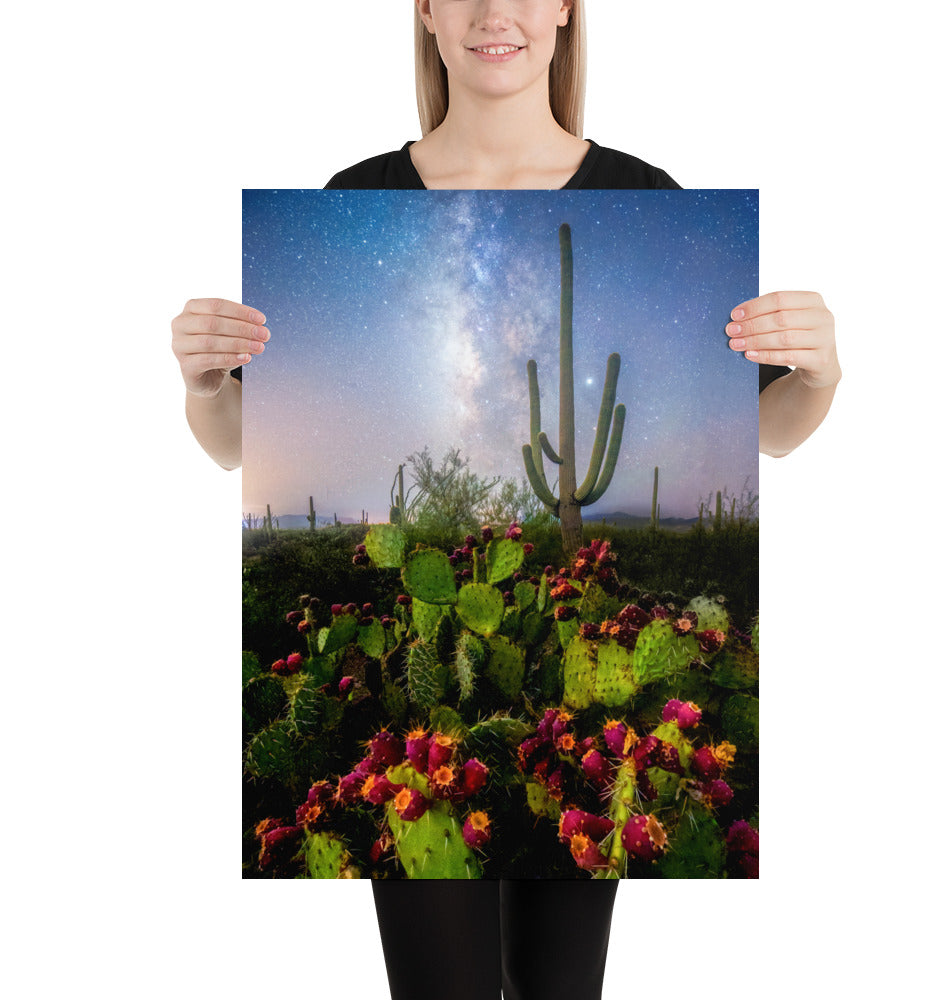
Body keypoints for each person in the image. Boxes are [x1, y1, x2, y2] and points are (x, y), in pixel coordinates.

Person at [173, 2, 840, 998]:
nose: (497, 12)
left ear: (567, 8)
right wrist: (204, 385)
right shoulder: (354, 192)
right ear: (427, 12)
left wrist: (820, 374)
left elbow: (772, 431)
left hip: (581, 707)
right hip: (442, 717)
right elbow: (235, 448)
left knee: (560, 989)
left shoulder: (646, 190)